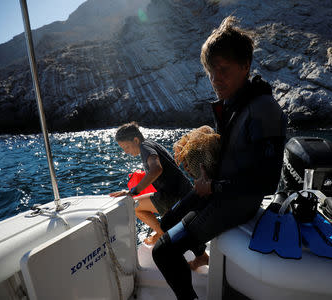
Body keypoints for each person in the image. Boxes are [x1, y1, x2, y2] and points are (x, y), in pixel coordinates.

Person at [152, 16, 287, 299]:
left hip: (236, 201)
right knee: (165, 222)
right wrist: (198, 162)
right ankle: (199, 252)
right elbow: (230, 154)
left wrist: (213, 188)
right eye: (212, 72)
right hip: (219, 189)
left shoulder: (263, 109)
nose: (216, 79)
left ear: (245, 66)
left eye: (224, 70)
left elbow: (268, 181)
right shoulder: (234, 103)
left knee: (163, 251)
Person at [109, 122, 193, 245]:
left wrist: (133, 191)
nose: (126, 152)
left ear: (136, 140)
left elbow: (156, 169)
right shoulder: (151, 144)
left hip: (173, 195)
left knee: (135, 206)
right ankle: (201, 256)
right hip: (184, 191)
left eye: (126, 147)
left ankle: (163, 235)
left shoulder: (145, 148)